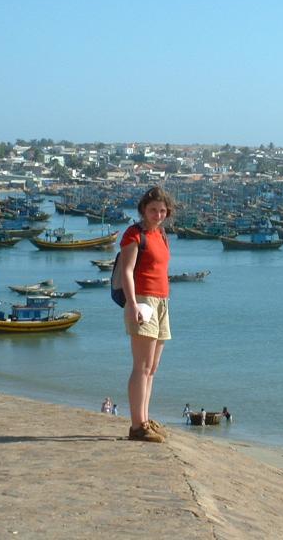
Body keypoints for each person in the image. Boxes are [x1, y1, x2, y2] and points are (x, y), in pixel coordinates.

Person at [121, 186, 176, 443]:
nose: (158, 214)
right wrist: (132, 304)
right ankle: (136, 425)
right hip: (143, 302)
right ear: (143, 209)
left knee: (152, 367)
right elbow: (127, 271)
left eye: (162, 210)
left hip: (162, 302)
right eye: (153, 209)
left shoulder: (162, 235)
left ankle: (145, 419)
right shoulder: (134, 234)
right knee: (141, 366)